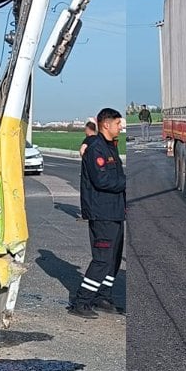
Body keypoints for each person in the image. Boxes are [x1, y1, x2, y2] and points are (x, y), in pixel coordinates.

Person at [69, 108, 126, 318]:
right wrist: (126, 183)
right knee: (102, 259)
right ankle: (81, 301)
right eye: (118, 123)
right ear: (106, 125)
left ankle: (103, 295)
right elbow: (101, 180)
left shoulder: (110, 147)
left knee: (113, 259)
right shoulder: (96, 148)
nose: (121, 127)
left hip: (115, 211)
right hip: (102, 212)